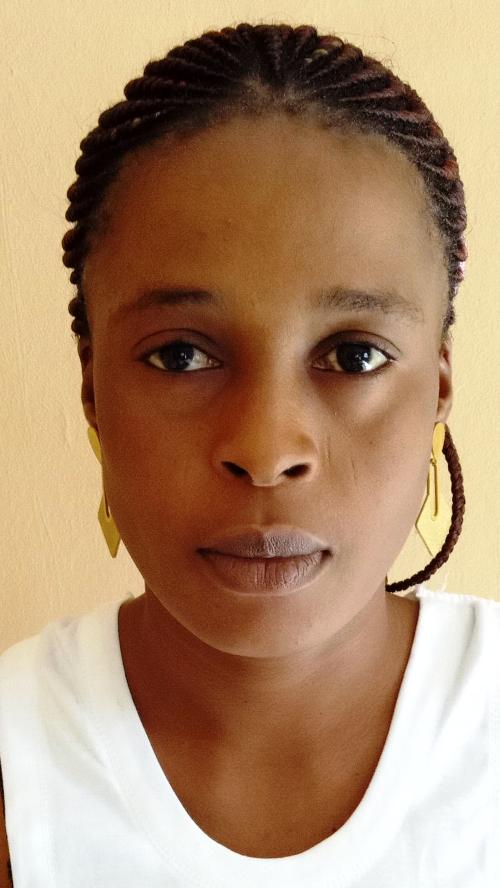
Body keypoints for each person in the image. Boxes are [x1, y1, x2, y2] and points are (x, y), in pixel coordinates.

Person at [0, 20, 498, 887]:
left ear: (439, 387)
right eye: (180, 355)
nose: (266, 452)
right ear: (92, 388)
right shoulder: (17, 766)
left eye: (354, 355)